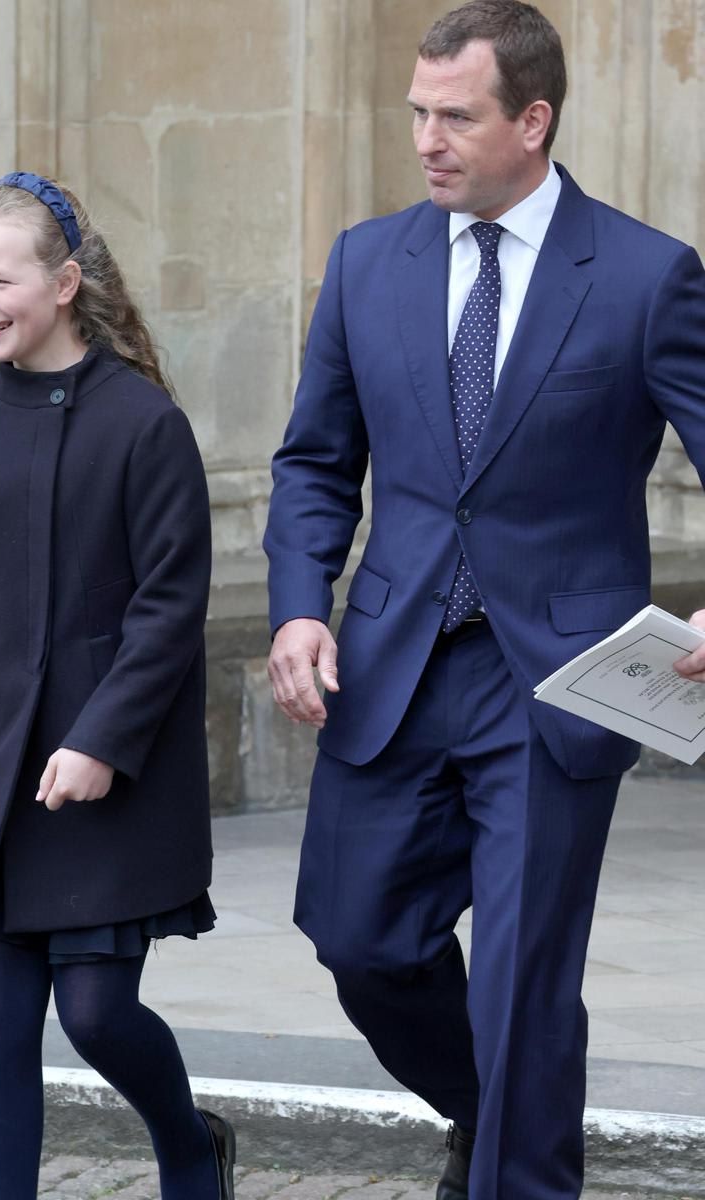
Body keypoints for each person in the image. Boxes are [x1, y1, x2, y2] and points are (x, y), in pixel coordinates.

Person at [263, 2, 705, 1198]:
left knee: (521, 978)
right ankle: (498, 1114)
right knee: (358, 939)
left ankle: (517, 1169)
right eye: (417, 112)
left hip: (554, 683)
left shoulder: (647, 276)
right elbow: (313, 463)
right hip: (393, 664)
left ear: (534, 121)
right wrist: (300, 606)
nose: (427, 139)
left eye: (455, 116)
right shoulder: (368, 261)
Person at [0, 173, 235, 1200]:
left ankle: (186, 1140)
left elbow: (172, 608)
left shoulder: (145, 425)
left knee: (94, 1014)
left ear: (67, 282)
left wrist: (100, 742)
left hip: (109, 775)